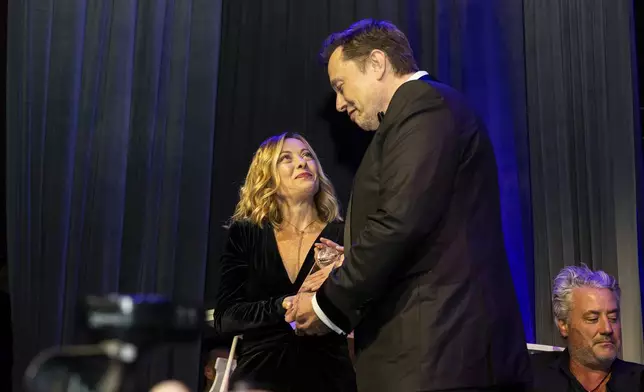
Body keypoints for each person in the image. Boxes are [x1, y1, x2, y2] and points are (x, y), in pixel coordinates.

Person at [285, 19, 532, 391]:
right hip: (433, 358)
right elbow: (421, 229)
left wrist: (326, 305)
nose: (338, 103)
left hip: (440, 359)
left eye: (341, 86)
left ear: (376, 63)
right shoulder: (416, 115)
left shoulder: (423, 106)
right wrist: (347, 260)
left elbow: (399, 224)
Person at [212, 132, 356, 391]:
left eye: (307, 155)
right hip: (259, 378)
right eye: (286, 158)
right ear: (267, 178)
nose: (302, 163)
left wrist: (350, 269)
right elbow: (226, 318)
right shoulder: (247, 233)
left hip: (329, 378)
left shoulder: (343, 235)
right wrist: (286, 304)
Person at [531, 265, 644, 392]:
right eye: (593, 319)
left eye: (613, 318)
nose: (607, 329)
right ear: (563, 325)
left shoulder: (639, 382)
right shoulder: (532, 375)